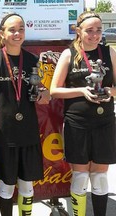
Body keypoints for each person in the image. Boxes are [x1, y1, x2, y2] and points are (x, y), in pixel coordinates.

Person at [0, 13, 50, 216]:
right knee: (7, 184)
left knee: (27, 185)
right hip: (4, 132)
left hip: (28, 131)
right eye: (12, 29)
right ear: (2, 33)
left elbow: (43, 90)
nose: (17, 33)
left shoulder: (33, 60)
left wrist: (45, 95)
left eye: (21, 29)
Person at [50, 11, 116, 216]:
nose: (95, 35)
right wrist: (82, 91)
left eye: (98, 30)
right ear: (78, 31)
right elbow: (54, 90)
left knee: (100, 177)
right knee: (80, 176)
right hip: (77, 123)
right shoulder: (69, 54)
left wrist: (109, 92)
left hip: (104, 122)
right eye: (89, 30)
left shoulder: (110, 52)